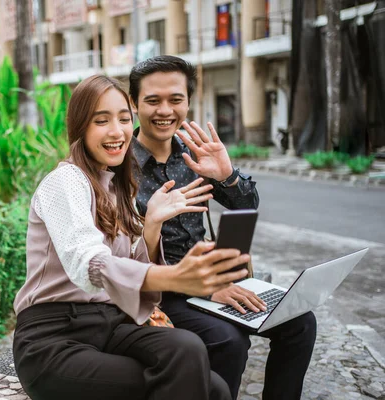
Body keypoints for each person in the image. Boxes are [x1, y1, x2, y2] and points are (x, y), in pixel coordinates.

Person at [12, 74, 252, 400]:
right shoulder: (65, 182)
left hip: (110, 325)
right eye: (102, 120)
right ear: (80, 127)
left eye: (124, 119)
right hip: (53, 338)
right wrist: (176, 276)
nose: (117, 131)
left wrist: (151, 224)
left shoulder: (118, 188)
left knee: (198, 362)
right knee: (189, 381)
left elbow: (137, 279)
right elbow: (88, 264)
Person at [129, 55, 317, 400]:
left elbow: (247, 208)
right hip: (158, 290)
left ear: (189, 100)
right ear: (133, 103)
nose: (165, 110)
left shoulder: (194, 154)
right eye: (152, 100)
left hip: (213, 281)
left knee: (300, 321)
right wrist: (202, 287)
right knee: (228, 339)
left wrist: (226, 176)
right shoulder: (121, 165)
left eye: (176, 99)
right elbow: (122, 254)